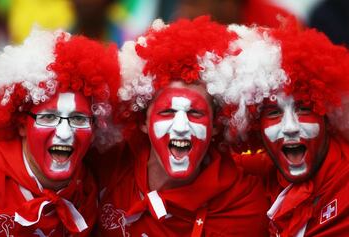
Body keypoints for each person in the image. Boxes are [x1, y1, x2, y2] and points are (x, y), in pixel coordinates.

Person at [94, 16, 269, 237]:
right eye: (166, 112)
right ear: (143, 122)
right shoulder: (111, 165)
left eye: (195, 113)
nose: (181, 127)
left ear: (216, 124)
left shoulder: (241, 203)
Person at [220, 21, 349, 236]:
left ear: (327, 116)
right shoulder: (257, 175)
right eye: (273, 113)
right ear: (255, 126)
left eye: (303, 109)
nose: (289, 127)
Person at [0, 28, 120, 236]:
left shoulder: (88, 191)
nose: (65, 133)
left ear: (95, 129)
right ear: (22, 125)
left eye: (78, 119)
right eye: (49, 117)